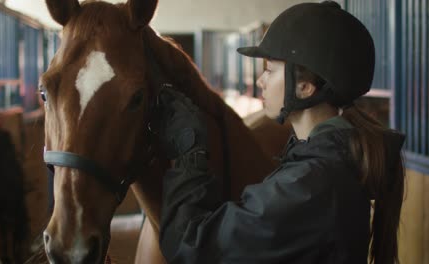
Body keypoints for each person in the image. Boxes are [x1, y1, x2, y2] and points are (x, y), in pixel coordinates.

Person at [155, 1, 405, 263]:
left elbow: (193, 247)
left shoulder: (310, 185)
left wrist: (190, 152)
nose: (260, 81)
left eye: (270, 71)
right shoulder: (326, 162)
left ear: (305, 88)